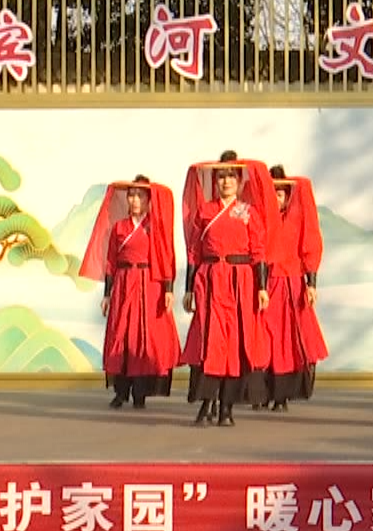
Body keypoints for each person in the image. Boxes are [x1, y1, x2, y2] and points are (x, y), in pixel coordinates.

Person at [180, 151, 280, 426]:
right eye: (221, 176)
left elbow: (258, 252)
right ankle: (206, 404)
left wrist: (262, 287)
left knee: (236, 345)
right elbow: (194, 252)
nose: (226, 182)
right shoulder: (205, 211)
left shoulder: (248, 212)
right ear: (215, 181)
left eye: (231, 176)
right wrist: (189, 288)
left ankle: (227, 408)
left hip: (241, 282)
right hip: (211, 280)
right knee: (210, 342)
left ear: (239, 181)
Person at [78, 174, 181, 410]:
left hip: (149, 284)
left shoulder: (155, 227)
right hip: (124, 283)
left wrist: (168, 289)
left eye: (140, 196)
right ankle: (121, 392)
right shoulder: (119, 228)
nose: (134, 200)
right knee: (122, 336)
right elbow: (110, 263)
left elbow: (166, 258)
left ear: (148, 200)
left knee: (144, 338)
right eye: (131, 195)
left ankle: (140, 393)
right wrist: (107, 294)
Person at [261, 165, 328, 412]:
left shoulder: (298, 220)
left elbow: (310, 248)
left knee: (288, 342)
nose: (275, 199)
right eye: (271, 194)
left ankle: (282, 396)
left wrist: (311, 284)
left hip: (291, 286)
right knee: (264, 337)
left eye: (279, 194)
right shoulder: (261, 220)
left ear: (288, 196)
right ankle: (262, 391)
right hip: (266, 286)